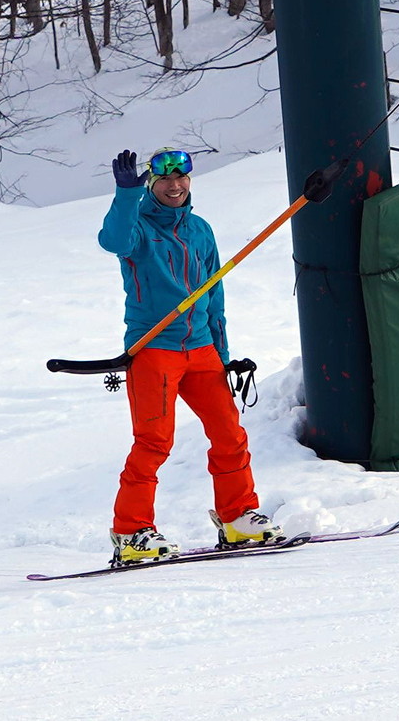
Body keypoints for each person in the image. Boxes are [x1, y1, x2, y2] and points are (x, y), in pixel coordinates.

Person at [97, 147, 282, 567]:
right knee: (154, 442)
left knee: (230, 434)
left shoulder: (200, 230)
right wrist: (125, 196)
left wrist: (223, 354)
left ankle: (237, 517)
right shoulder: (139, 228)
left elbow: (214, 295)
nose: (175, 186)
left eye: (181, 179)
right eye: (164, 180)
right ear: (151, 183)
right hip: (154, 348)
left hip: (201, 350)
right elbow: (113, 241)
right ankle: (131, 531)